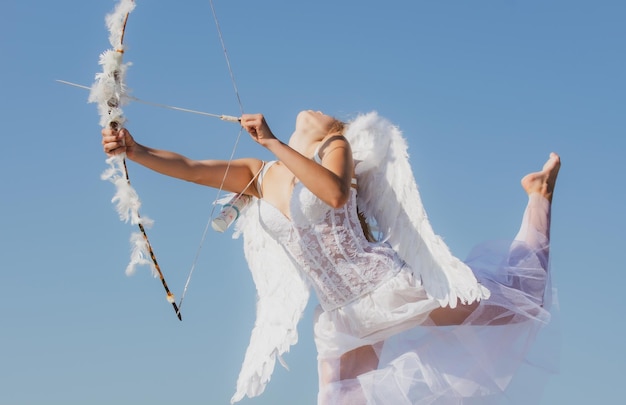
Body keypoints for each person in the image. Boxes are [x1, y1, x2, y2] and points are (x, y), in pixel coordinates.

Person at [102, 110, 561, 404]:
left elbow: (335, 194)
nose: (314, 108)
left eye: (324, 111)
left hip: (388, 288)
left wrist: (274, 141)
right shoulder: (257, 175)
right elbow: (189, 168)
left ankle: (538, 196)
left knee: (515, 308)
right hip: (342, 318)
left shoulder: (332, 148)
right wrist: (135, 150)